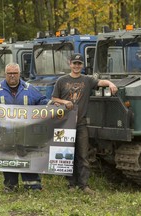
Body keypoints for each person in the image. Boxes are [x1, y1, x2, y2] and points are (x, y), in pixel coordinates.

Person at [51, 53, 118, 195]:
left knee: (83, 154)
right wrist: (65, 102)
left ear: (82, 65)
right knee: (66, 154)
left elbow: (101, 82)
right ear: (70, 63)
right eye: (74, 63)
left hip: (81, 123)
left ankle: (84, 185)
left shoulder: (87, 80)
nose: (76, 66)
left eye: (79, 64)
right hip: (64, 124)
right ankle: (71, 183)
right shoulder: (62, 81)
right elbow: (54, 98)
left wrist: (111, 83)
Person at [0, 62, 50, 192]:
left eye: (15, 73)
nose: (12, 76)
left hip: (25, 133)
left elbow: (42, 102)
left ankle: (33, 185)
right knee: (8, 158)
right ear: (5, 74)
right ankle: (11, 185)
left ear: (19, 74)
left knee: (27, 156)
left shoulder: (29, 88)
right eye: (9, 73)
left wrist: (55, 105)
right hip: (5, 134)